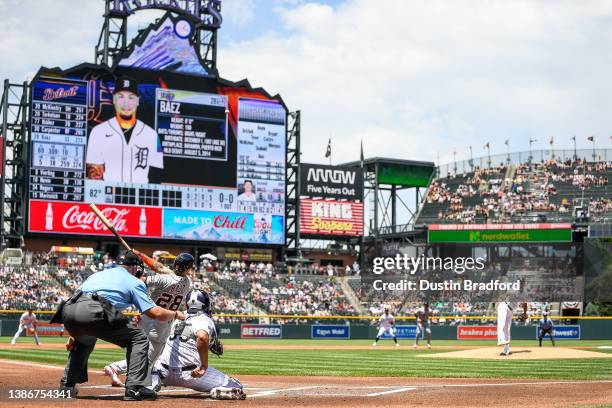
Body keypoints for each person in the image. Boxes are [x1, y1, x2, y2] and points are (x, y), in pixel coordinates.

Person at [55, 251, 185, 400]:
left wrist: (74, 333)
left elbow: (77, 298)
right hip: (94, 309)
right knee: (139, 338)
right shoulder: (134, 281)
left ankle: (66, 387)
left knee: (84, 342)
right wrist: (175, 314)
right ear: (135, 268)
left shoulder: (97, 274)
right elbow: (154, 312)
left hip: (68, 309)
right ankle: (134, 388)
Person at [103, 252, 195, 387]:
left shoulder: (163, 278)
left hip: (148, 316)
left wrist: (141, 258)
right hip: (161, 321)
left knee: (143, 351)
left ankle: (127, 373)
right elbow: (162, 269)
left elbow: (141, 281)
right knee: (150, 358)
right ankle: (116, 368)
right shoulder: (188, 282)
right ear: (187, 268)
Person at [151, 289, 246, 400]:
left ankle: (152, 379)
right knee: (236, 386)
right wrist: (204, 366)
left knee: (149, 364)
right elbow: (202, 337)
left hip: (164, 373)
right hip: (192, 375)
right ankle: (217, 391)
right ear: (205, 304)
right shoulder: (204, 318)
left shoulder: (177, 316)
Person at [85, 76, 163, 183]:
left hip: (140, 196)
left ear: (138, 101)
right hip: (108, 196)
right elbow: (93, 175)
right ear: (114, 99)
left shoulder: (152, 135)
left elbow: (157, 177)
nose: (126, 103)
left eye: (131, 98)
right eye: (121, 97)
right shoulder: (98, 132)